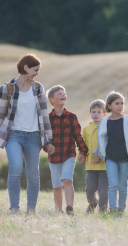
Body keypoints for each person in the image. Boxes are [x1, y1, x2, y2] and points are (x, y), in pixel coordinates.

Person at [0, 54, 54, 214]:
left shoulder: (38, 88)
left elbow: (44, 116)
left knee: (33, 174)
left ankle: (31, 209)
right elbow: (0, 114)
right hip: (14, 136)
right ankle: (14, 208)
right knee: (16, 168)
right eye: (35, 70)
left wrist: (49, 140)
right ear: (25, 68)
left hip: (33, 137)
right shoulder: (8, 89)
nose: (37, 74)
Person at [94, 91, 128, 213]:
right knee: (112, 184)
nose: (120, 106)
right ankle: (112, 208)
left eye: (122, 103)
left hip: (125, 158)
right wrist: (97, 152)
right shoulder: (104, 122)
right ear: (109, 106)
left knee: (122, 185)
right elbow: (101, 140)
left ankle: (121, 208)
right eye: (117, 103)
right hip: (110, 157)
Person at [47, 85, 88, 215]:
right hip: (54, 157)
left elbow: (78, 136)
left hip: (68, 154)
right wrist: (46, 147)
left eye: (64, 93)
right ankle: (58, 210)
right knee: (57, 185)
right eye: (59, 94)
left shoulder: (71, 117)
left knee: (67, 180)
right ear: (51, 99)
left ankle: (69, 208)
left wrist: (83, 151)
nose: (63, 95)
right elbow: (44, 138)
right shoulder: (47, 118)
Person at [82, 99, 109, 213]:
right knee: (89, 189)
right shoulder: (86, 129)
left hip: (104, 166)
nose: (96, 114)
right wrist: (82, 155)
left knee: (103, 190)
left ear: (104, 114)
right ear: (90, 113)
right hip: (90, 166)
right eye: (93, 112)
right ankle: (93, 202)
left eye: (99, 112)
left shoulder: (107, 127)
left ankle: (103, 209)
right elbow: (83, 145)